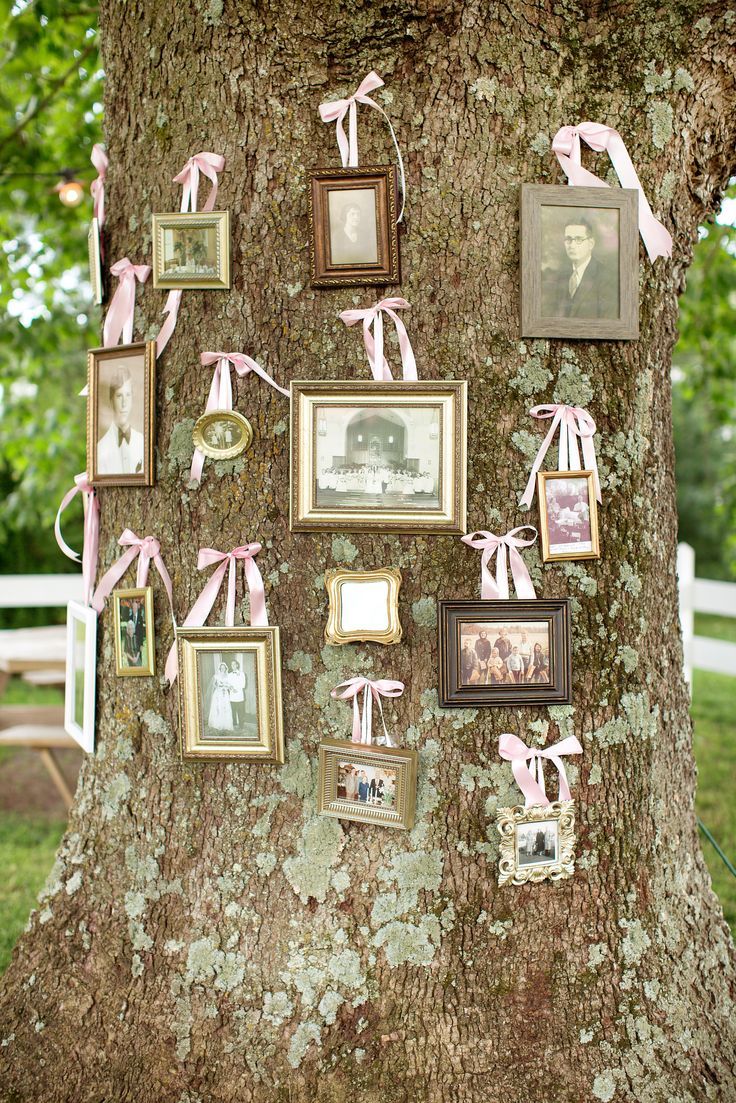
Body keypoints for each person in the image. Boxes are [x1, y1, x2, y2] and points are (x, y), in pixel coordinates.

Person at [552, 218, 618, 320]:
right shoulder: (562, 276)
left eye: (579, 239)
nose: (572, 245)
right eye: (568, 239)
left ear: (591, 243)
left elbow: (608, 323)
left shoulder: (607, 277)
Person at [97, 365, 145, 476]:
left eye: (128, 395)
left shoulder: (143, 442)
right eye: (119, 396)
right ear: (111, 400)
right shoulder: (100, 449)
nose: (124, 404)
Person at [330, 201, 376, 266]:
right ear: (345, 216)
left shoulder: (364, 235)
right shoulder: (337, 235)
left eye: (358, 214)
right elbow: (335, 259)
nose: (356, 217)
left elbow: (369, 257)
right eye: (352, 214)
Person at [208, 662, 234, 732]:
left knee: (225, 707)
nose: (223, 669)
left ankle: (226, 724)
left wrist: (226, 687)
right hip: (218, 693)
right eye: (221, 667)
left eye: (224, 667)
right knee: (218, 707)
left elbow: (229, 685)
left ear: (226, 668)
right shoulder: (216, 676)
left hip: (225, 693)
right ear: (220, 668)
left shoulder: (228, 676)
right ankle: (217, 723)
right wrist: (219, 687)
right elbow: (214, 685)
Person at [228, 659, 246, 730]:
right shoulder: (229, 675)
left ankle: (241, 725)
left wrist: (237, 689)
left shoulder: (242, 673)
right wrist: (232, 689)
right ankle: (234, 723)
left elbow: (243, 684)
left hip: (239, 695)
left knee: (240, 711)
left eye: (234, 664)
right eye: (232, 664)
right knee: (233, 710)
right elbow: (229, 684)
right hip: (232, 695)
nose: (233, 666)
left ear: (237, 665)